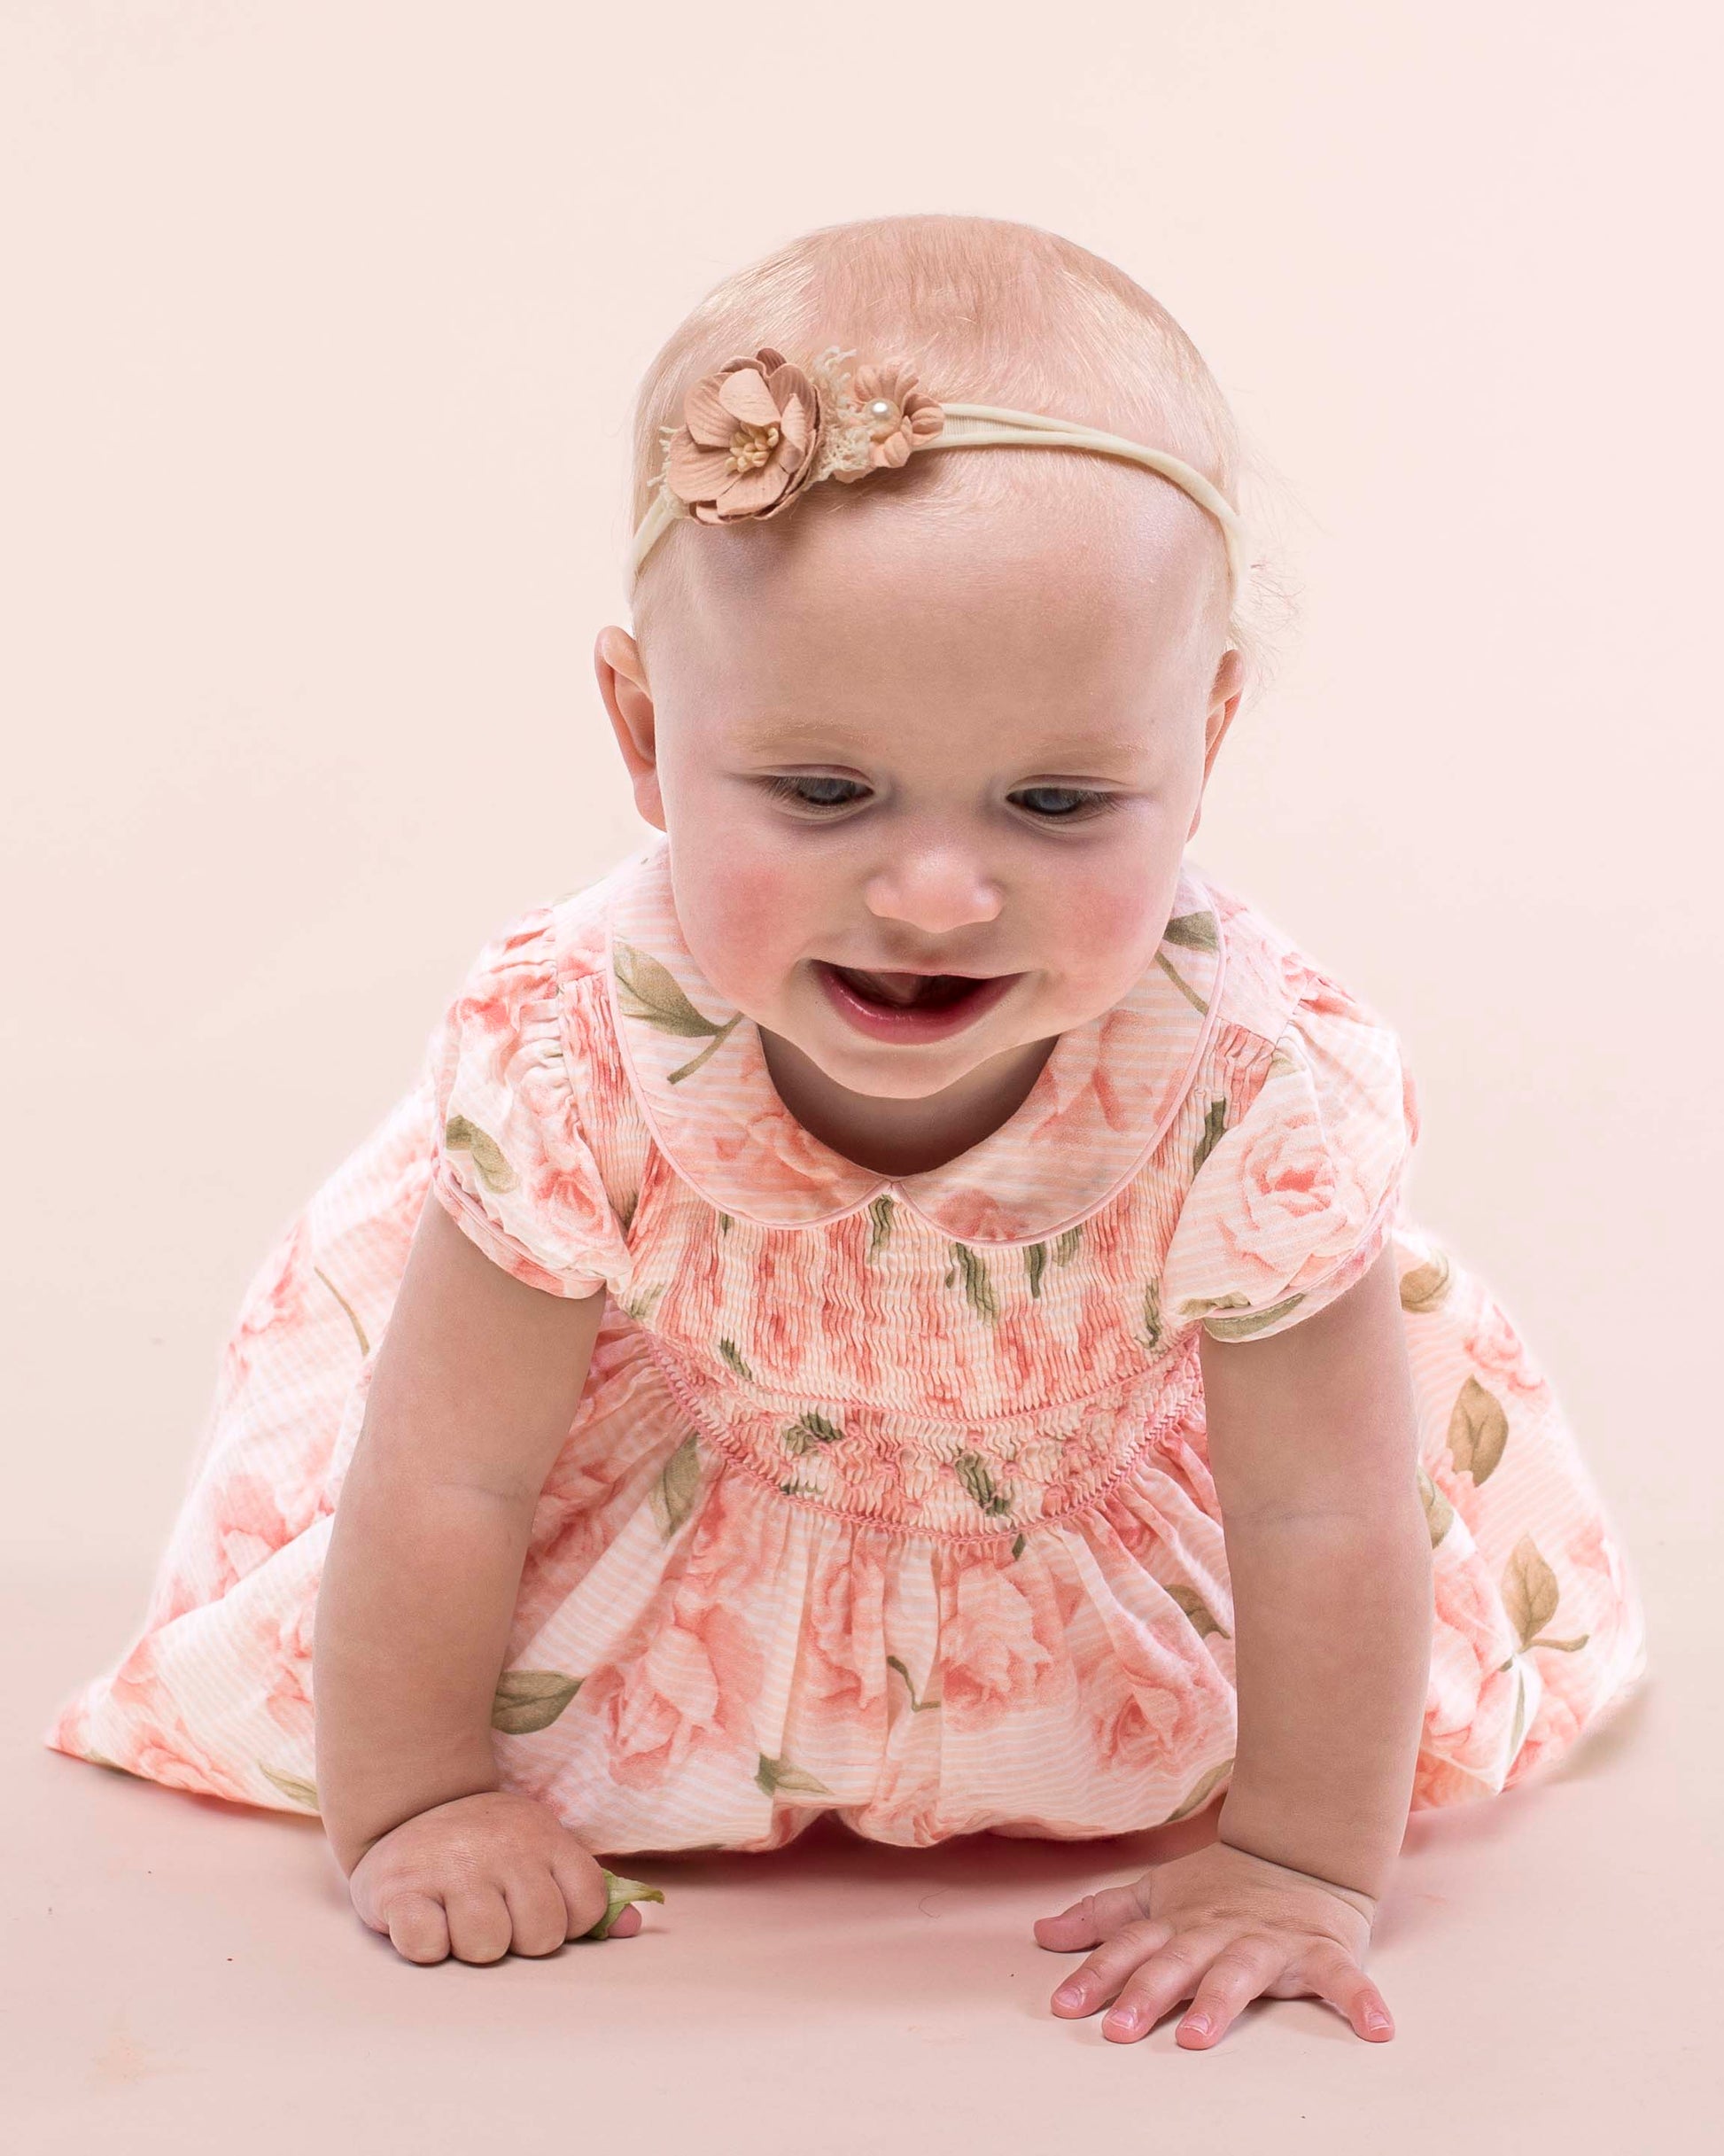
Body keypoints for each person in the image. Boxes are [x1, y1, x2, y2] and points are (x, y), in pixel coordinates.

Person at [46, 214, 1647, 2050]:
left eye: (1057, 796)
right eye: (821, 790)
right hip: (681, 1528)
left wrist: (1294, 1858)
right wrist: (417, 1794)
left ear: (1201, 739)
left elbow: (1320, 1500)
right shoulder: (584, 1055)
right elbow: (453, 1474)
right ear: (645, 734)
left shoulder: (1246, 1088)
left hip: (1104, 1537)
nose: (940, 891)